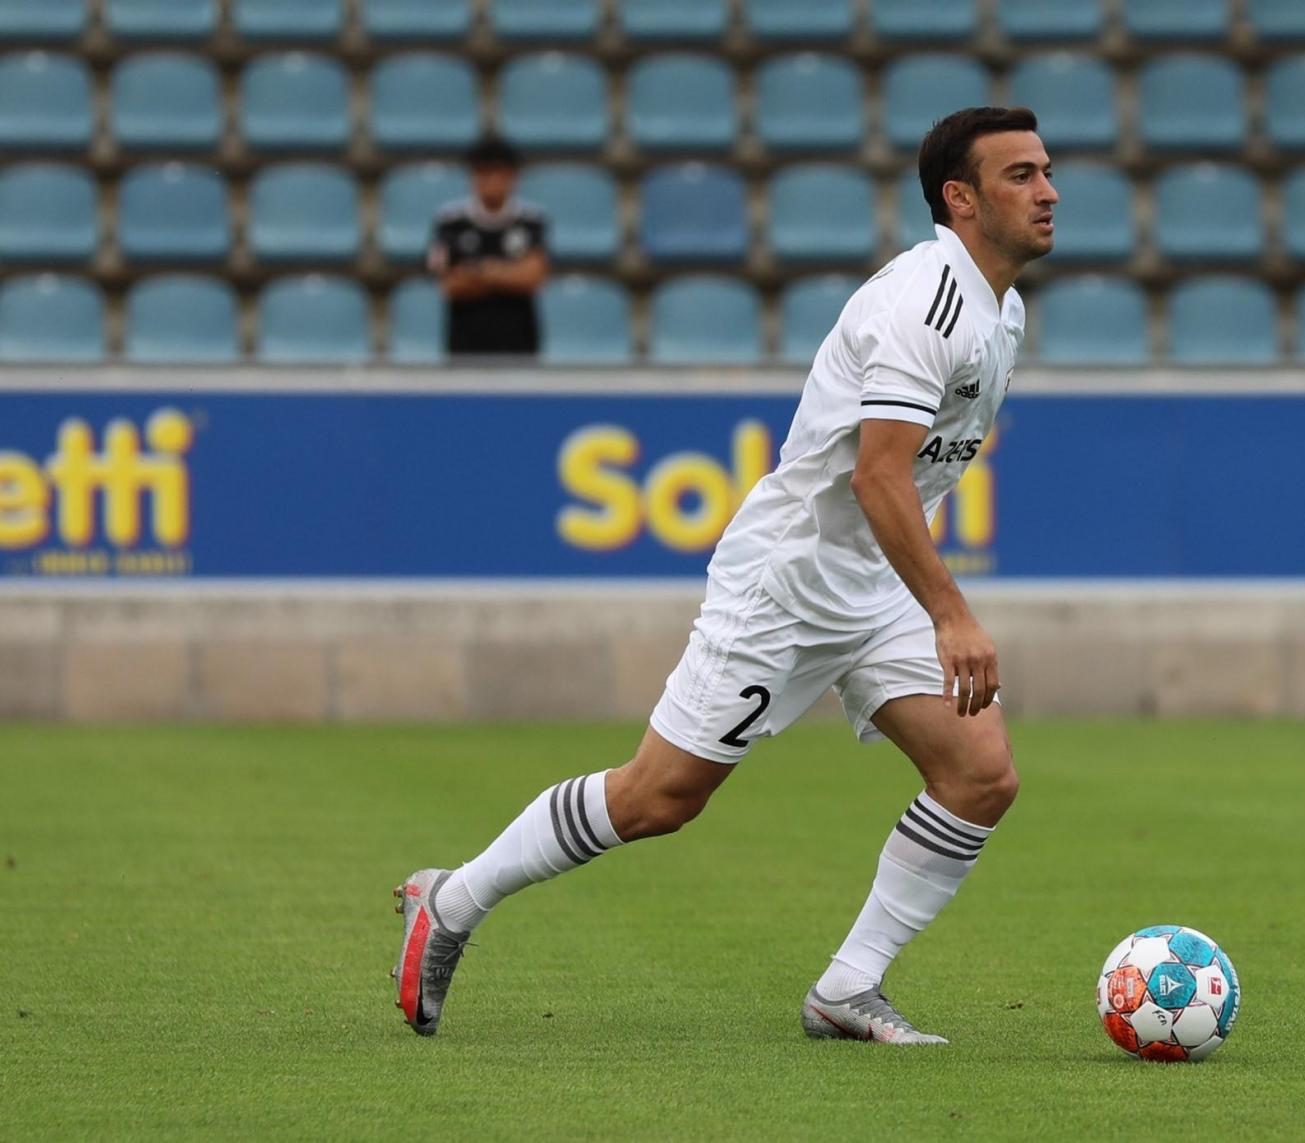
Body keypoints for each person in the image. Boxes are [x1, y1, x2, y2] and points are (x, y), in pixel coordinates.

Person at [392, 107, 1057, 1044]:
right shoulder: (924, 304)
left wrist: (925, 605)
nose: (1048, 191)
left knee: (980, 774)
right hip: (787, 584)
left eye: (1045, 171)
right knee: (659, 797)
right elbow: (876, 477)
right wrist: (951, 614)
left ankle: (847, 987)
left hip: (875, 586)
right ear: (961, 198)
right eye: (1021, 175)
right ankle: (453, 899)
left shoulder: (1001, 309)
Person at [426, 135, 548, 360]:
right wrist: (508, 274)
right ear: (472, 176)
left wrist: (477, 270)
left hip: (519, 342)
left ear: (514, 177)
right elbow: (449, 285)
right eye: (484, 173)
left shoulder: (532, 219)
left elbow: (533, 278)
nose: (492, 181)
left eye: (500, 173)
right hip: (465, 342)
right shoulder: (450, 221)